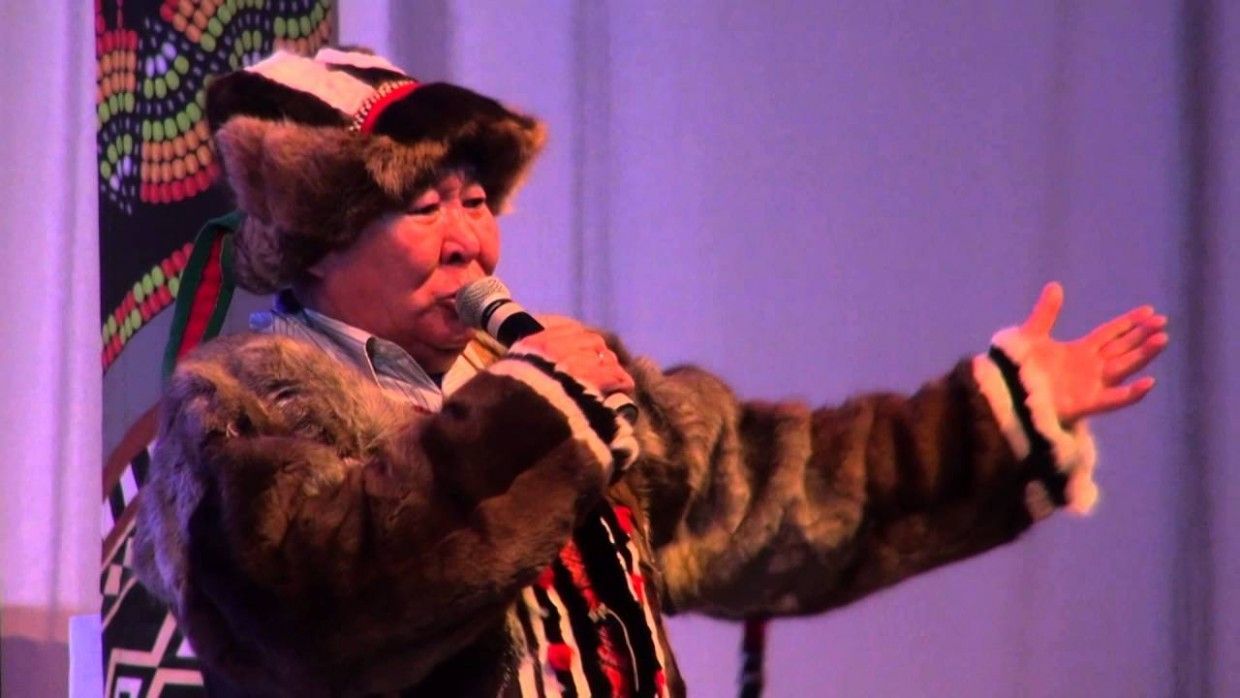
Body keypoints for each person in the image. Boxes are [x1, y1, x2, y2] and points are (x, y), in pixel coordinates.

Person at [133, 48, 1169, 697]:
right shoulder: (242, 410)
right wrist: (529, 420)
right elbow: (314, 614)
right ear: (320, 239)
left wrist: (994, 414)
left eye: (477, 201)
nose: (469, 242)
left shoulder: (548, 386)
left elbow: (770, 489)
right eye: (425, 205)